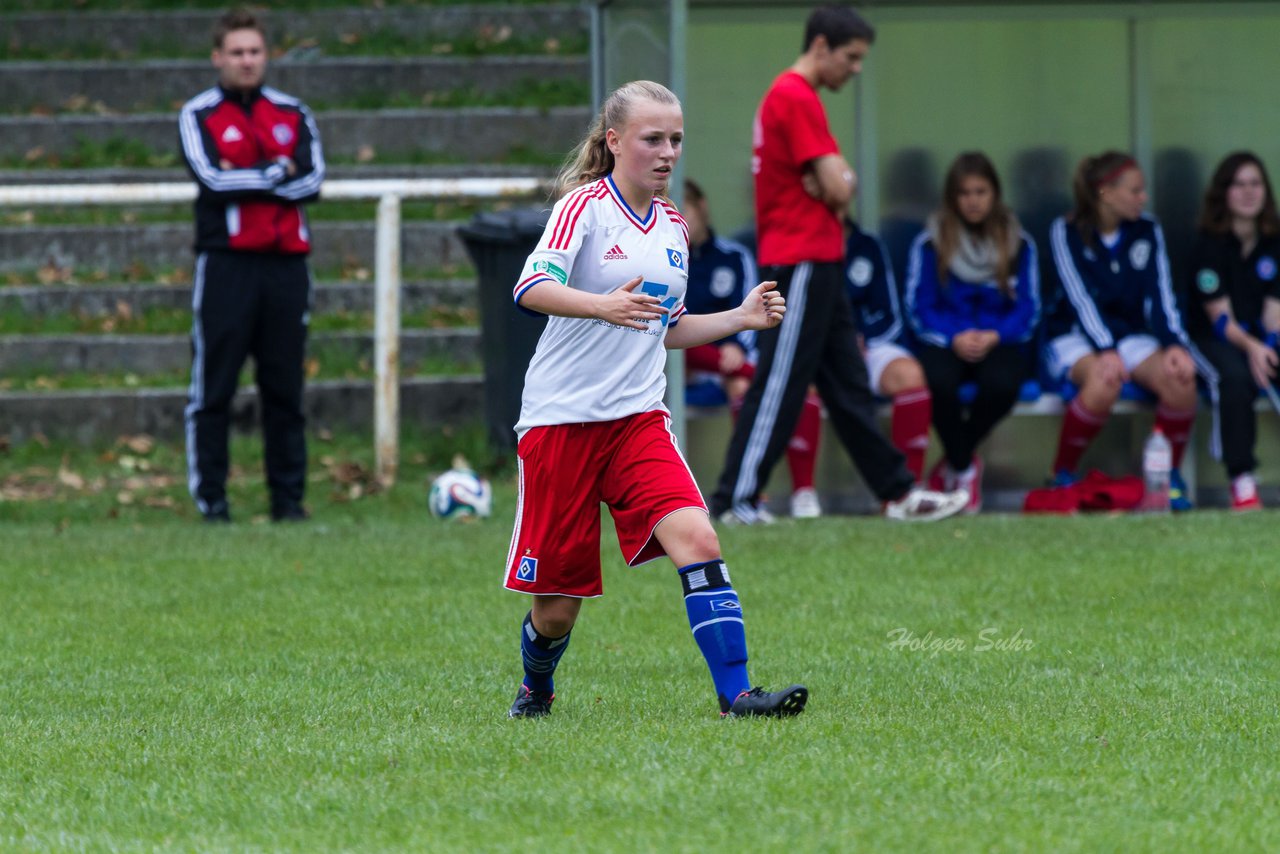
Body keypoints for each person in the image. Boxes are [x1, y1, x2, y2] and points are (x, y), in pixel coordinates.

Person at [503, 80, 807, 720]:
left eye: (675, 140)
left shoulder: (673, 224)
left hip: (638, 420)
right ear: (614, 142)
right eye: (652, 139)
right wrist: (602, 304)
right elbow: (531, 286)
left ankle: (738, 696)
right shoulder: (583, 209)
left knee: (699, 538)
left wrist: (739, 318)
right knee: (556, 611)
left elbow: (664, 327)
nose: (668, 153)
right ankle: (536, 687)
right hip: (561, 422)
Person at [708, 5, 968, 524]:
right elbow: (839, 187)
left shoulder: (796, 96)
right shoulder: (795, 96)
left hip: (820, 260)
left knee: (849, 388)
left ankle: (897, 493)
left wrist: (839, 183)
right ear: (821, 46)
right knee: (780, 380)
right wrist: (839, 182)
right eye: (851, 58)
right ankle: (734, 499)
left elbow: (840, 186)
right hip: (799, 260)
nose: (857, 69)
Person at [178, 8, 324, 523]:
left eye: (254, 51)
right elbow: (211, 182)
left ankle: (288, 502)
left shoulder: (293, 113)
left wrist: (250, 174)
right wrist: (273, 172)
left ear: (267, 56)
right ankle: (212, 502)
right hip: (225, 267)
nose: (246, 61)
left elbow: (312, 182)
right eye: (236, 52)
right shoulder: (198, 115)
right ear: (218, 57)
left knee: (284, 389)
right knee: (213, 388)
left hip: (286, 268)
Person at [1044, 151, 1197, 508]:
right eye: (1135, 191)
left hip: (1128, 335)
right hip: (1073, 335)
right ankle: (1061, 474)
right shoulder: (1065, 231)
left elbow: (1162, 293)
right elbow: (1078, 296)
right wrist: (1105, 348)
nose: (1143, 198)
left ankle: (1165, 480)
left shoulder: (1148, 230)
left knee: (1181, 380)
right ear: (1105, 193)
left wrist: (1174, 345)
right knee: (1105, 380)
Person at [905, 152, 1040, 512]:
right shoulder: (931, 242)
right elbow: (920, 308)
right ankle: (965, 467)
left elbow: (1028, 307)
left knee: (1003, 384)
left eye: (981, 191)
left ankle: (954, 463)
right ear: (953, 197)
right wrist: (955, 336)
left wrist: (996, 335)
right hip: (948, 340)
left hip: (1000, 340)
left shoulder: (1019, 243)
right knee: (936, 381)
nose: (974, 200)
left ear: (995, 193)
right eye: (964, 193)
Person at [683, 179, 825, 519]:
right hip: (684, 362)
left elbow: (751, 313)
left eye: (683, 208)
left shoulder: (734, 257)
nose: (678, 218)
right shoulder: (661, 258)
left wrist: (736, 348)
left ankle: (796, 492)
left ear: (702, 206)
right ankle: (746, 492)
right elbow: (665, 326)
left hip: (731, 361)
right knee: (770, 383)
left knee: (746, 385)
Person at [1186, 151, 1280, 511]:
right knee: (1235, 376)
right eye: (1238, 184)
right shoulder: (1207, 247)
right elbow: (1220, 320)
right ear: (1223, 192)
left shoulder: (1275, 243)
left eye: (1255, 184)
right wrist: (1254, 349)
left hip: (1258, 336)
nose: (1248, 192)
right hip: (1212, 339)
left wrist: (1268, 346)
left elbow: (1274, 313)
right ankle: (1241, 480)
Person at [843, 217, 934, 486]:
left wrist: (862, 340)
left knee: (910, 375)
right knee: (802, 385)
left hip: (867, 348)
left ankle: (908, 488)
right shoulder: (799, 246)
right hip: (819, 352)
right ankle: (804, 494)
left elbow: (890, 315)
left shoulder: (868, 246)